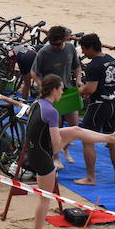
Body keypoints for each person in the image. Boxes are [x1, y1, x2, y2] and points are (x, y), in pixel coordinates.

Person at [26, 74, 115, 229]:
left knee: (76, 130)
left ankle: (111, 138)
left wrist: (68, 136)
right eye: (62, 89)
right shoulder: (52, 111)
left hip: (35, 149)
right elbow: (56, 146)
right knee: (45, 198)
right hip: (42, 157)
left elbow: (38, 132)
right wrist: (66, 143)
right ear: (55, 89)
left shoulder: (37, 104)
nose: (62, 93)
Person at [77, 33, 115, 186]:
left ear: (91, 47)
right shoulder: (112, 60)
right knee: (113, 141)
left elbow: (91, 89)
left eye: (84, 49)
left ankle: (90, 178)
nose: (83, 53)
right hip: (112, 104)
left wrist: (77, 91)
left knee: (87, 140)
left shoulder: (94, 65)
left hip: (97, 105)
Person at [32, 27, 82, 162]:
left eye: (59, 44)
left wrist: (78, 80)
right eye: (53, 45)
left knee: (73, 125)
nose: (57, 47)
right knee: (55, 126)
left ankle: (66, 151)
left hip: (67, 91)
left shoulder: (70, 48)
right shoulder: (43, 52)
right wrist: (42, 85)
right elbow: (34, 73)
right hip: (52, 94)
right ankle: (55, 156)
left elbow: (77, 66)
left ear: (65, 39)